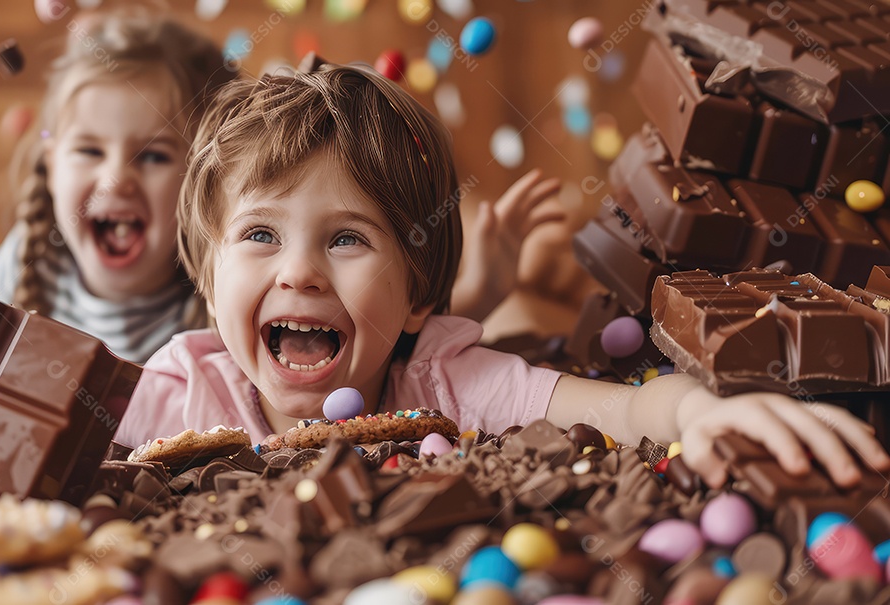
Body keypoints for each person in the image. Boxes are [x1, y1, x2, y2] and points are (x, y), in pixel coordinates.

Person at [116, 61, 889, 489]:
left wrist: (699, 414)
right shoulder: (181, 392)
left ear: (419, 297)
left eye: (347, 238)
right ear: (209, 280)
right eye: (259, 234)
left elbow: (626, 409)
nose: (300, 272)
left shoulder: (447, 386)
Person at [0, 6, 235, 363]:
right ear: (51, 166)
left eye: (153, 156)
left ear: (205, 180)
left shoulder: (223, 309)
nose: (116, 180)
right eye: (90, 150)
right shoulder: (23, 263)